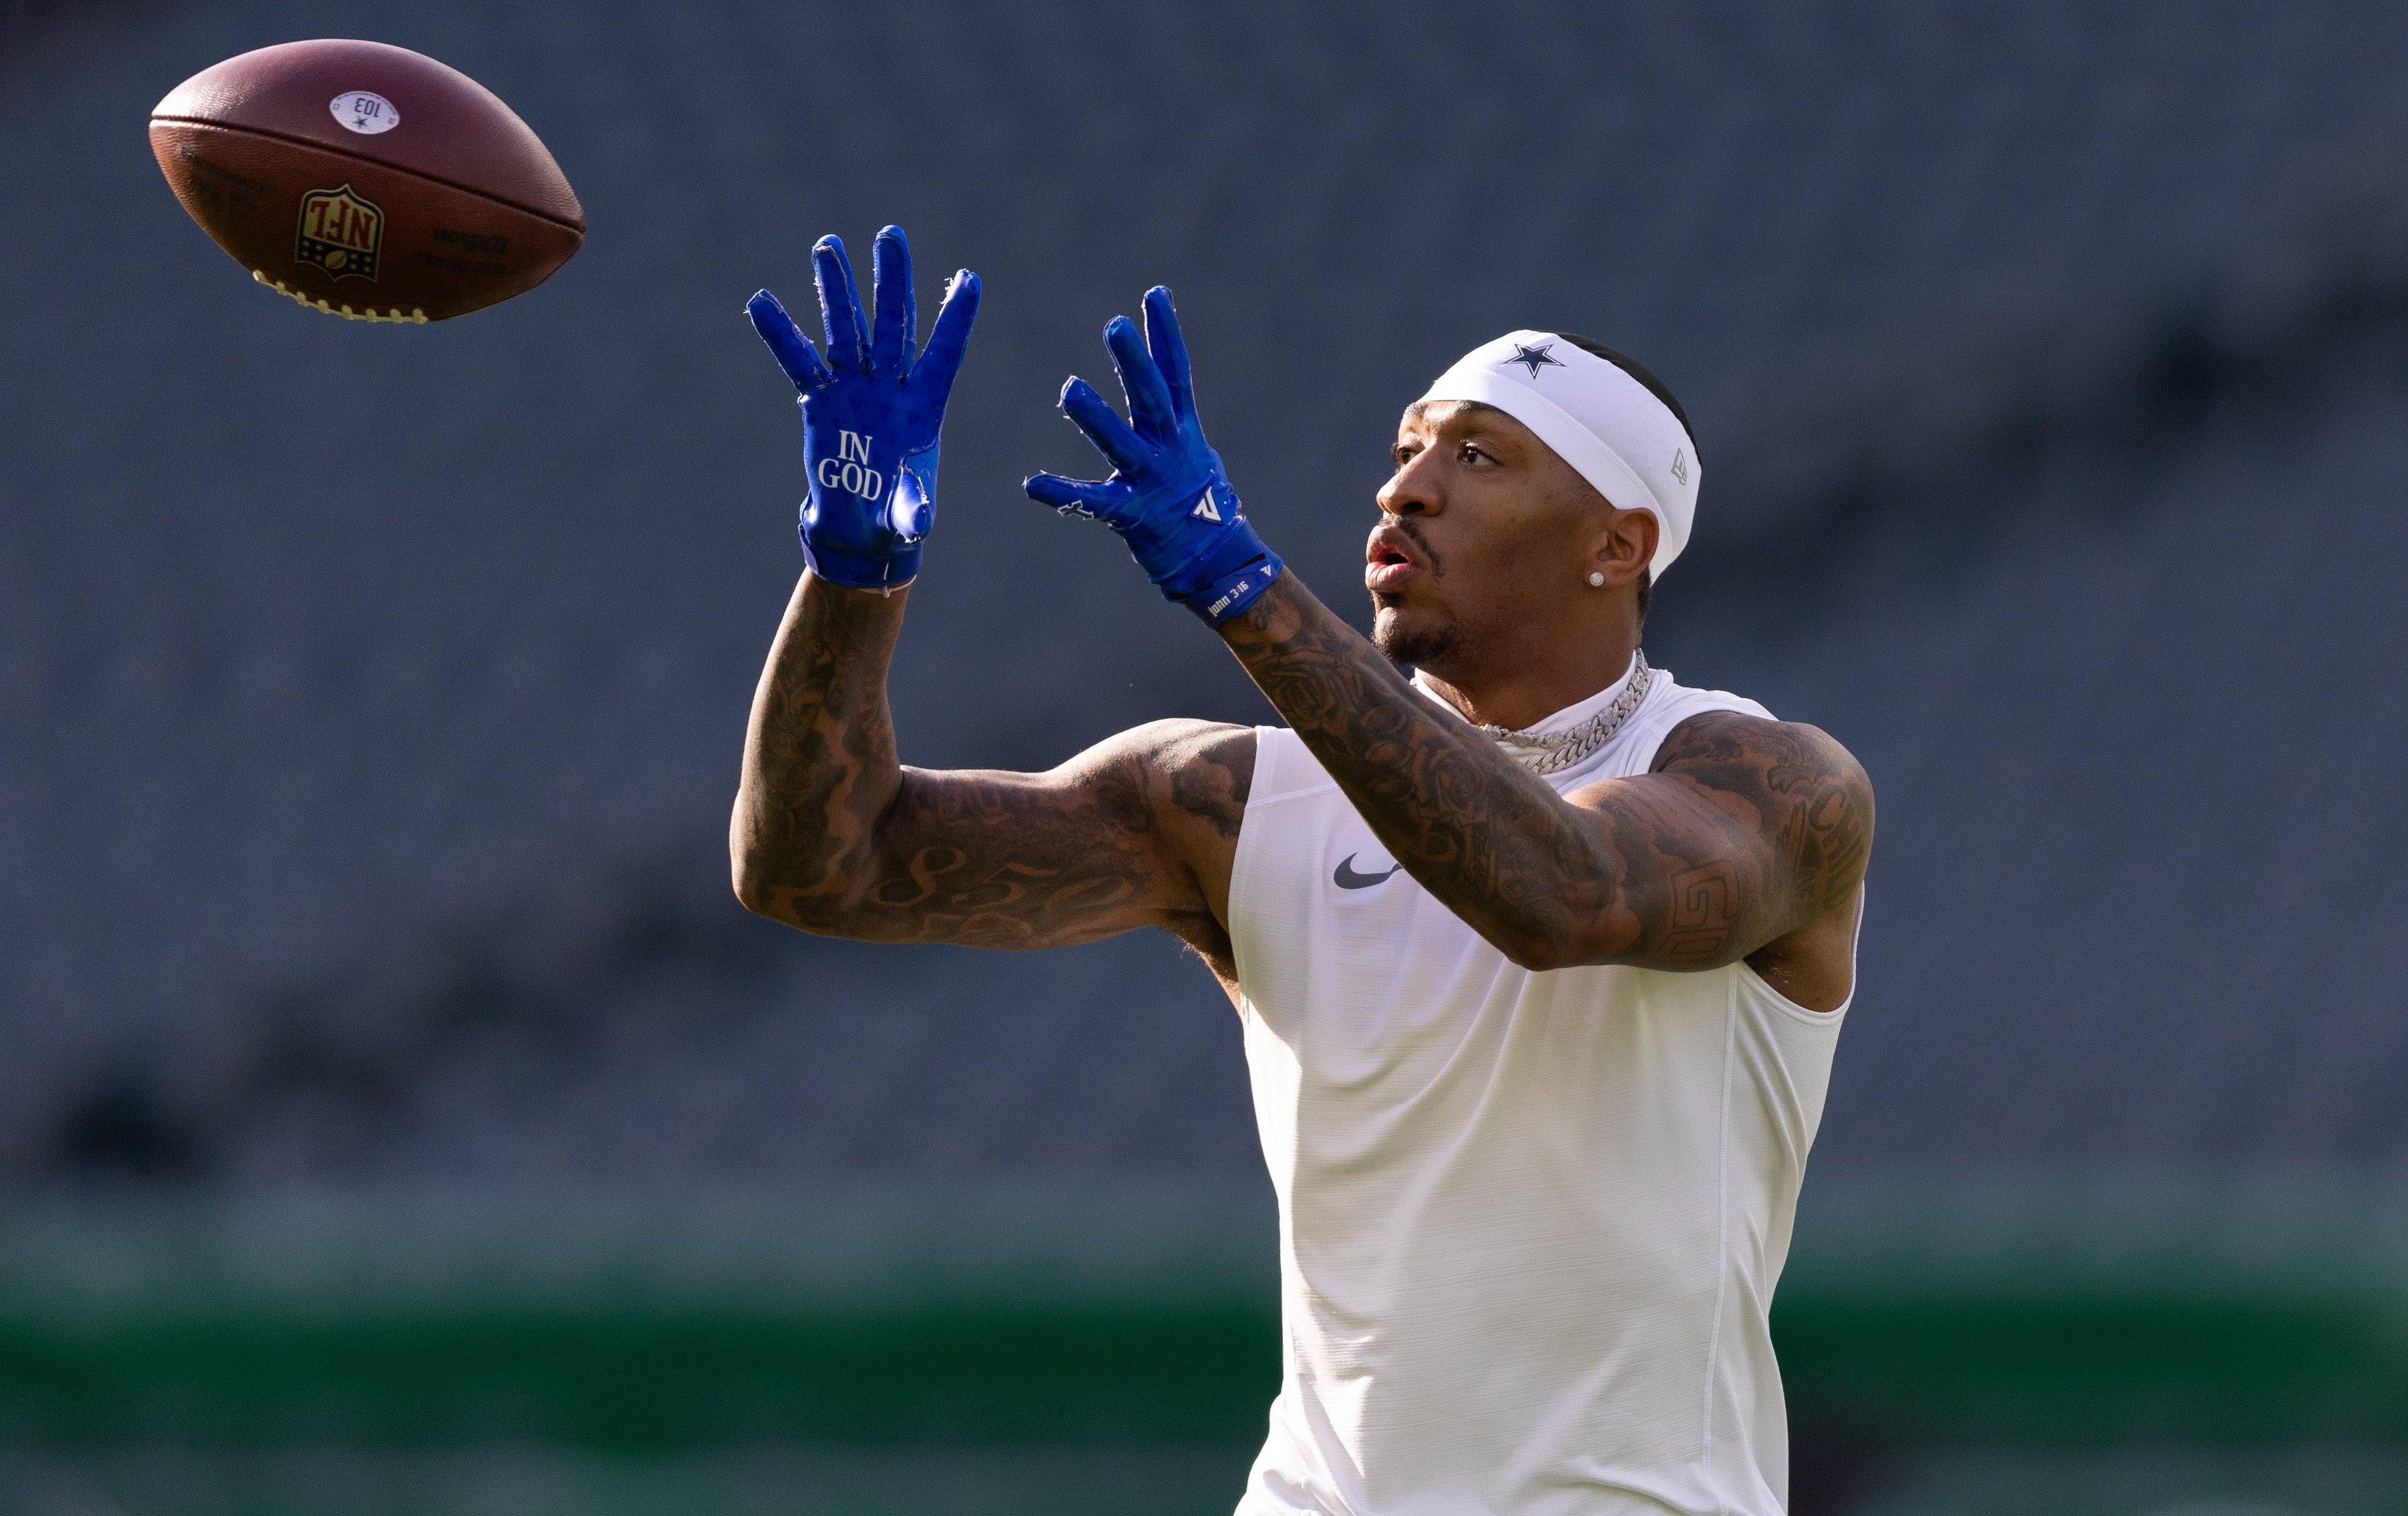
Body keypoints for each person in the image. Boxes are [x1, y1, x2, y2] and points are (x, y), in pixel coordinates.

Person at [732, 227, 1874, 1516]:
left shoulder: (1772, 784)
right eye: (1404, 452)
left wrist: (1243, 587)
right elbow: (826, 869)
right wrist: (854, 569)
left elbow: (1565, 896)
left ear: (1617, 543)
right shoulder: (1236, 796)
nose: (1406, 491)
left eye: (1477, 456)